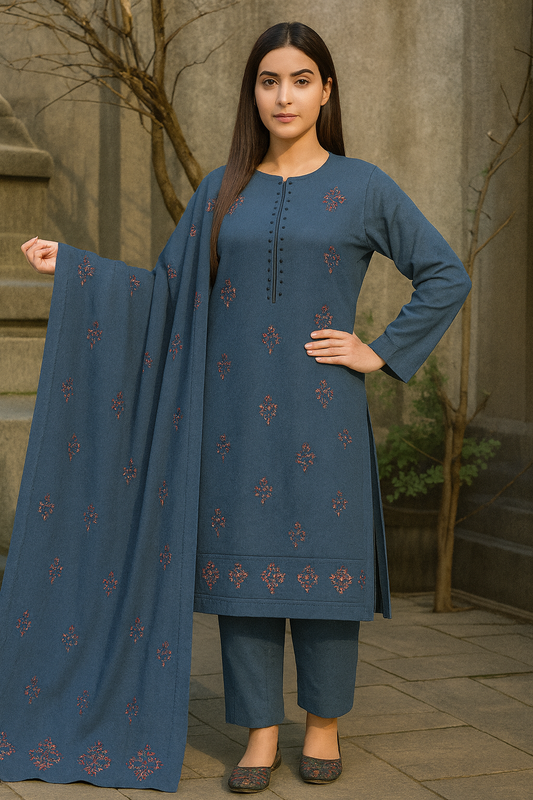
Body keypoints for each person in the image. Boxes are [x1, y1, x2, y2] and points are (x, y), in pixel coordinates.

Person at [6, 21, 470, 795]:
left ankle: (321, 725)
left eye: (300, 80)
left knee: (328, 579)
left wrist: (379, 351)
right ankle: (258, 731)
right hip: (230, 417)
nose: (283, 96)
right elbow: (167, 294)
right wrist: (80, 271)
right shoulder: (223, 191)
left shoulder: (363, 186)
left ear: (325, 91)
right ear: (252, 93)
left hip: (322, 417)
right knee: (242, 576)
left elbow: (444, 274)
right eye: (268, 81)